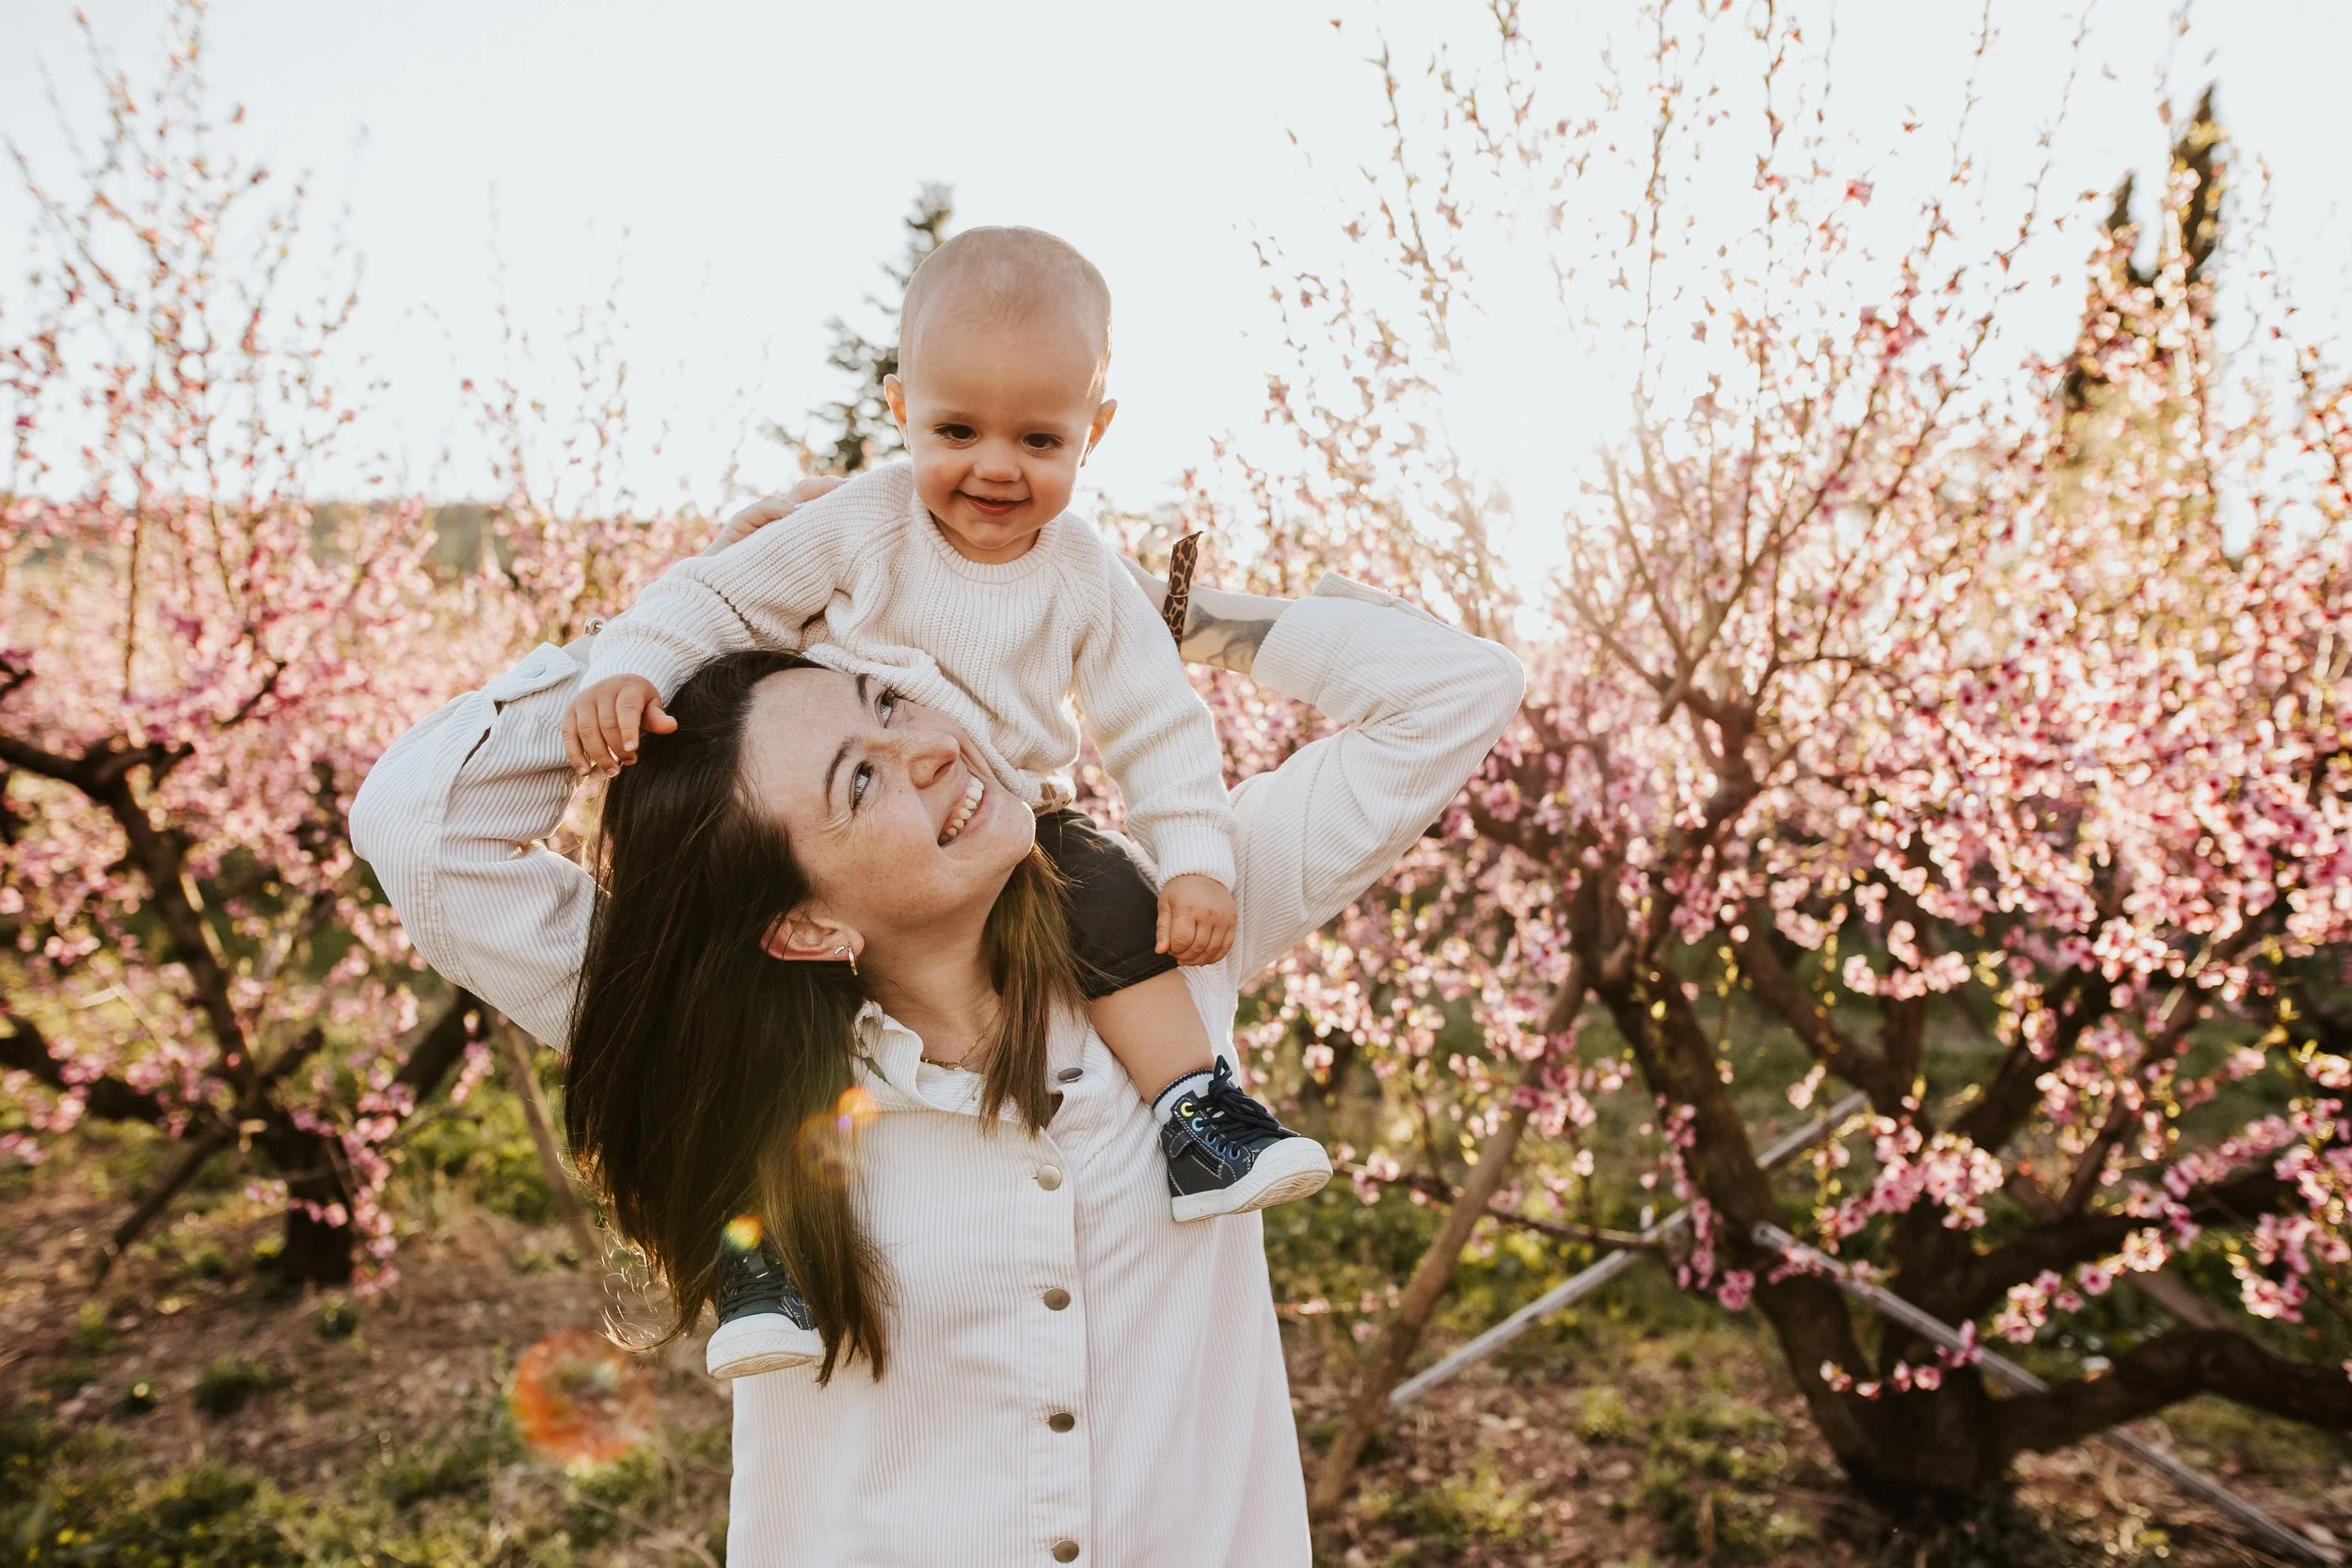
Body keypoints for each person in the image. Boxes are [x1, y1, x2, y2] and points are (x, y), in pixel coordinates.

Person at [349, 493, 1523, 1565]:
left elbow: (1452, 692)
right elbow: (419, 830)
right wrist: (676, 631)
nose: (927, 748)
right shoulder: (713, 1042)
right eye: (859, 782)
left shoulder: (1174, 922)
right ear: (802, 923)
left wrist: (1152, 622)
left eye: (888, 697)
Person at [562, 228, 1329, 1376]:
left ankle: (1195, 1111)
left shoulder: (1081, 573)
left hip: (1008, 811)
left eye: (1040, 438)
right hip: (855, 847)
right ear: (901, 406)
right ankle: (752, 1251)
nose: (996, 468)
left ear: (1095, 430)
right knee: (773, 1029)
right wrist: (623, 670)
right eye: (955, 430)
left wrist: (1196, 858)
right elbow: (715, 596)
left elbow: (1156, 721)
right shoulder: (861, 523)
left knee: (1110, 901)